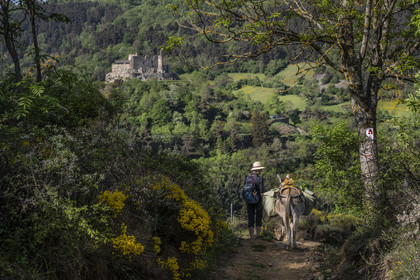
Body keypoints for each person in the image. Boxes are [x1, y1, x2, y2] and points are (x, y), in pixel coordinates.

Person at [245, 161, 265, 238]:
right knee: (258, 217)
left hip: (249, 200)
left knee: (250, 217)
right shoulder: (260, 179)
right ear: (258, 170)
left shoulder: (247, 178)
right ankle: (258, 235)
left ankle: (251, 236)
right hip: (258, 200)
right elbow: (262, 191)